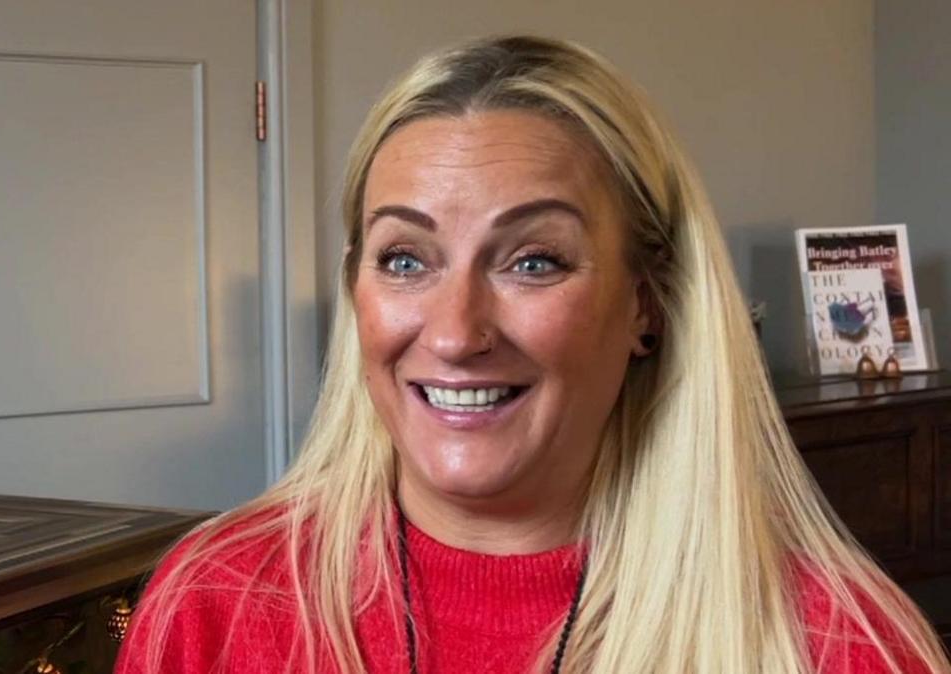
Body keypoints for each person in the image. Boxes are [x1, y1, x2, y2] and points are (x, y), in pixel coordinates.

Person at [115, 35, 950, 673]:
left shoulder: (833, 641)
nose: (454, 333)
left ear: (645, 306)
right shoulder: (221, 601)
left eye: (532, 261)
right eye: (405, 260)